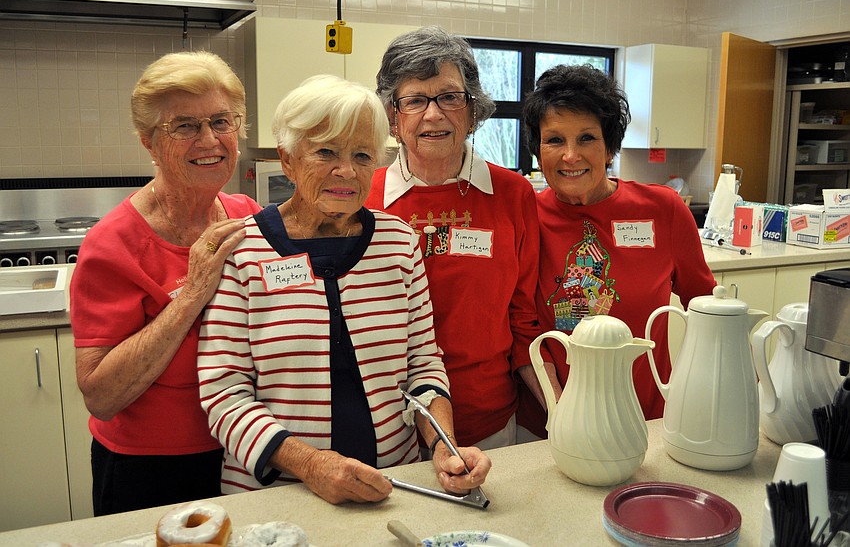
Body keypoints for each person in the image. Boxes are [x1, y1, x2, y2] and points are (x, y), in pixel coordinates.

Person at [197, 74, 491, 505]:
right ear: (287, 160)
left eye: (361, 155)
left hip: (396, 484)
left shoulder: (397, 241)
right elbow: (224, 393)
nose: (346, 171)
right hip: (278, 496)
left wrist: (442, 445)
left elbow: (423, 366)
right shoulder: (242, 250)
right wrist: (312, 465)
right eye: (326, 153)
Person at [69, 51, 261, 516]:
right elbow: (101, 395)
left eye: (222, 120)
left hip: (243, 453)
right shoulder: (112, 243)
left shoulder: (248, 216)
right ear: (149, 143)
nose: (210, 139)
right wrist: (192, 294)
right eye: (185, 126)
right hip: (151, 470)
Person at [364, 26, 545, 449]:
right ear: (393, 115)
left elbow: (523, 319)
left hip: (490, 423)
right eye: (414, 100)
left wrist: (562, 408)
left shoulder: (513, 195)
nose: (434, 114)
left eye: (449, 97)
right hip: (389, 428)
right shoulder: (364, 198)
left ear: (472, 108)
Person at [517, 64, 717, 437]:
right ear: (537, 149)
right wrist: (561, 413)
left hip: (647, 420)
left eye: (587, 138)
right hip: (550, 424)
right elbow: (522, 327)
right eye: (555, 140)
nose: (571, 156)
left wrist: (713, 390)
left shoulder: (664, 210)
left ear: (609, 147)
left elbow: (706, 310)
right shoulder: (526, 216)